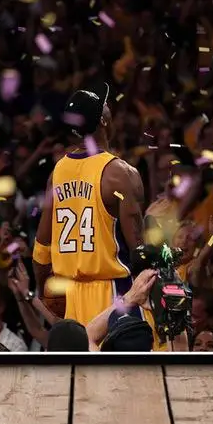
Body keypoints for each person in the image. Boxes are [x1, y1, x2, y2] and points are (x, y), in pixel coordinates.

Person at [32, 83, 146, 328]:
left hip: (71, 298)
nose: (109, 107)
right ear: (103, 121)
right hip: (114, 296)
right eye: (105, 105)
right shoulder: (121, 173)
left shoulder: (57, 172)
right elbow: (139, 252)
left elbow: (41, 250)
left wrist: (43, 292)